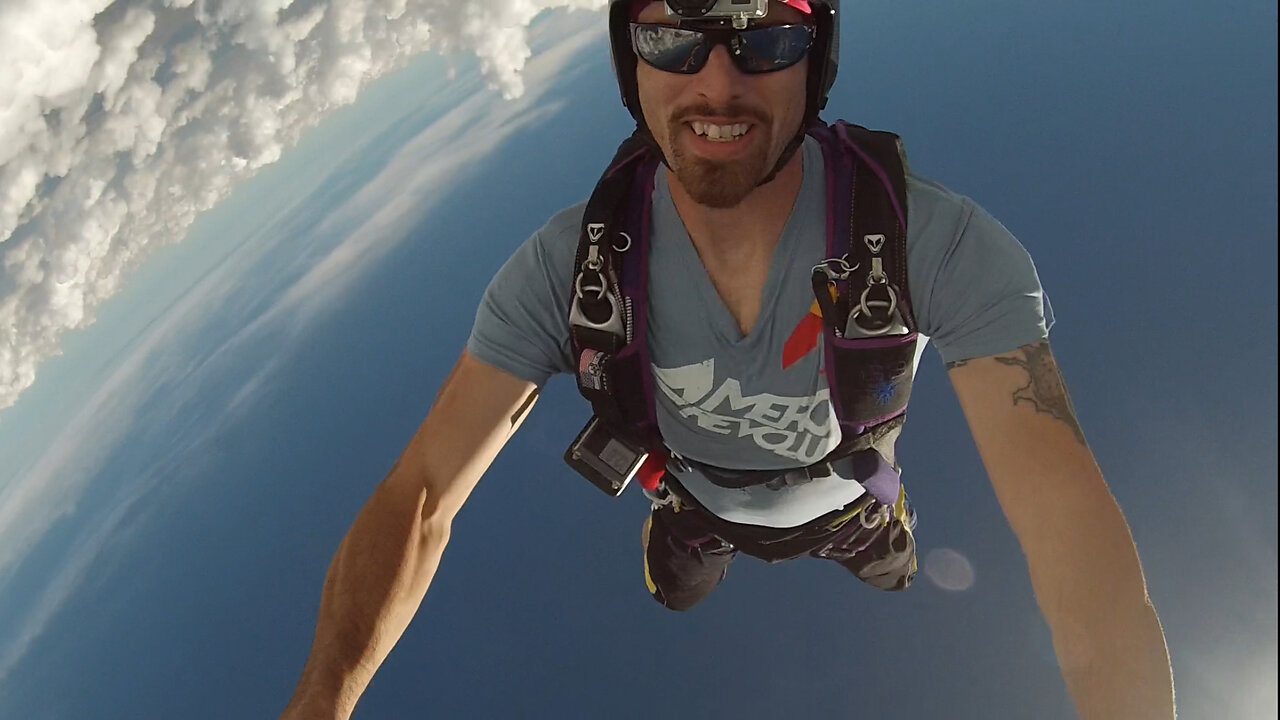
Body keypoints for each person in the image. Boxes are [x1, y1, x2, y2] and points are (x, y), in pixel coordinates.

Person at [282, 1, 1175, 718]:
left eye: (767, 35)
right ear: (630, 62)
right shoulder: (568, 272)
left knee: (892, 565)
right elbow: (420, 496)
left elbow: (1065, 518)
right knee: (682, 585)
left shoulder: (931, 245)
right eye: (671, 38)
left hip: (847, 506)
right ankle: (728, 527)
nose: (717, 83)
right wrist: (321, 704)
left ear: (816, 58)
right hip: (699, 507)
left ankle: (859, 526)